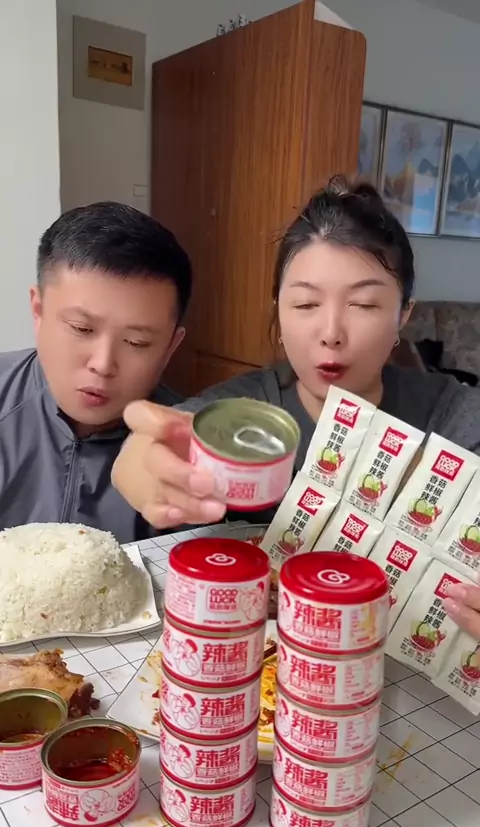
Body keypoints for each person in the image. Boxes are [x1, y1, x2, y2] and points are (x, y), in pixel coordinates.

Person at [112, 177, 480, 639]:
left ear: (403, 313)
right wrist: (143, 462)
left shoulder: (452, 416)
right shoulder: (243, 414)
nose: (331, 333)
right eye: (305, 303)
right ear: (279, 310)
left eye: (365, 304)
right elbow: (152, 447)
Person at [0, 201, 192, 542]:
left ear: (170, 347)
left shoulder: (182, 449)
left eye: (136, 342)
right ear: (38, 311)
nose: (102, 364)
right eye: (81, 328)